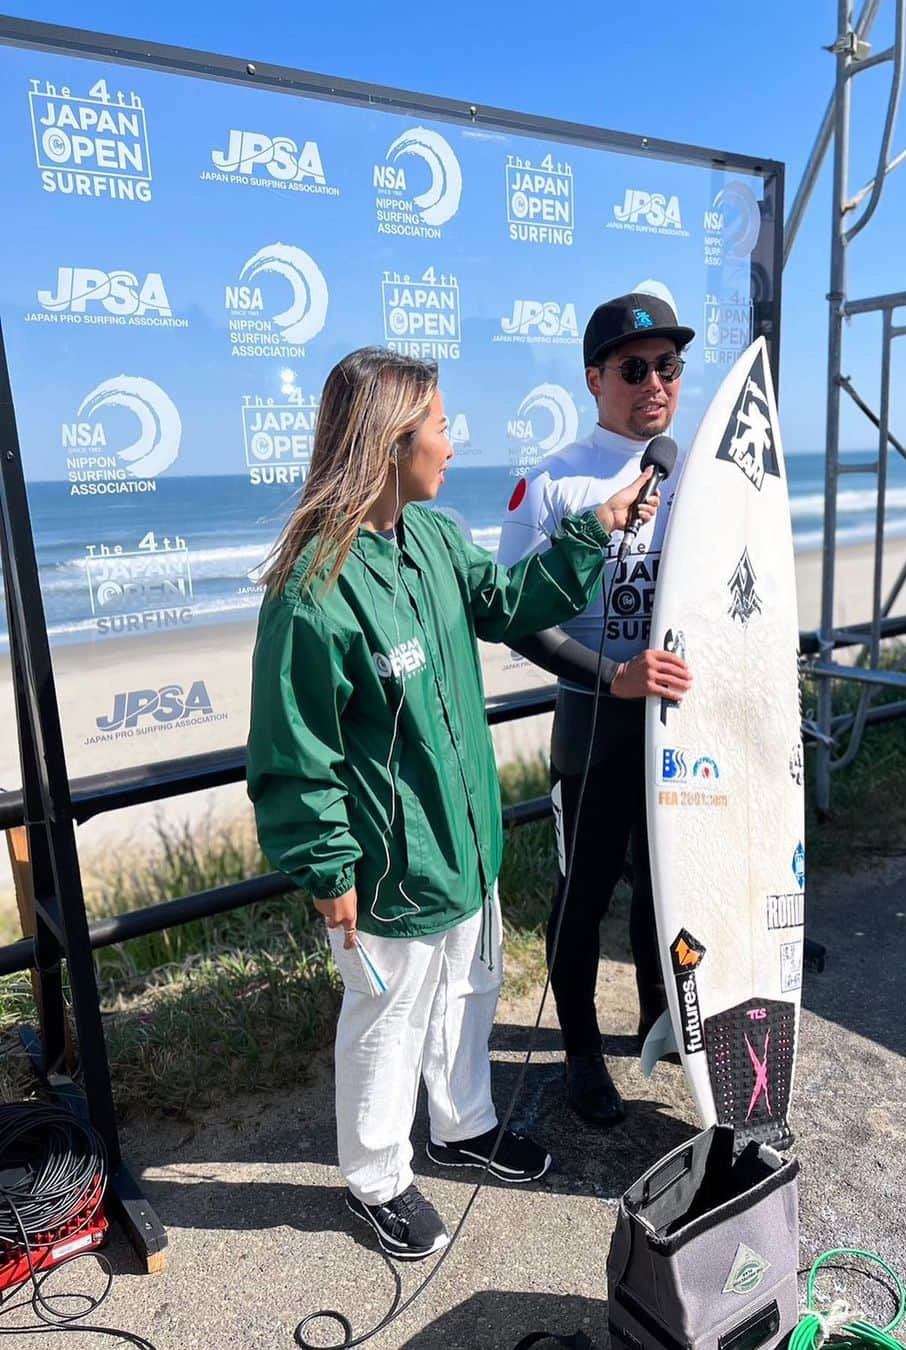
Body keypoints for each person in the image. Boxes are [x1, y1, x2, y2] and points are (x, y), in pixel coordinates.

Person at [246, 346, 659, 1260]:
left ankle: (464, 1127)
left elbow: (508, 601)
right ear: (391, 442)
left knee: (469, 989)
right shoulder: (313, 591)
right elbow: (292, 754)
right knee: (387, 1024)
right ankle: (377, 1180)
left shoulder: (432, 538)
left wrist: (596, 527)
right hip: (388, 871)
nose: (450, 439)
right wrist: (328, 873)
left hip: (467, 846)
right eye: (438, 425)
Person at [497, 292, 694, 1127]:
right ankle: (581, 1051)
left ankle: (665, 1019)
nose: (656, 382)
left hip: (680, 726)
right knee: (583, 894)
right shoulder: (550, 482)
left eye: (670, 366)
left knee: (668, 888)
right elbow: (516, 617)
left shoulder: (701, 474)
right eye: (634, 367)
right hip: (595, 726)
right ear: (594, 378)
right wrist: (612, 674)